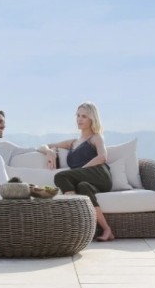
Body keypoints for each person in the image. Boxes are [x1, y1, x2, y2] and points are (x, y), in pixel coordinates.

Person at [42, 101, 115, 241]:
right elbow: (43, 145)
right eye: (78, 115)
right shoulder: (73, 143)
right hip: (85, 181)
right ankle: (107, 230)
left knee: (61, 177)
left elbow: (102, 157)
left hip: (100, 175)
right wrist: (49, 152)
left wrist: (81, 170)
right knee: (82, 187)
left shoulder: (96, 137)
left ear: (92, 119)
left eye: (84, 116)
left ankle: (74, 218)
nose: (79, 119)